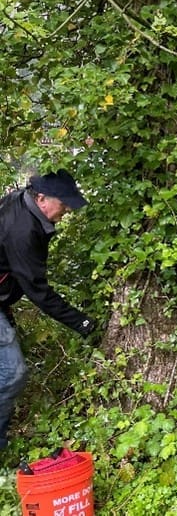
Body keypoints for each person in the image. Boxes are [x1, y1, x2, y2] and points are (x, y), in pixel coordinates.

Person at [0, 170, 99, 450]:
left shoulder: (22, 203)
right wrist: (82, 323)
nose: (67, 209)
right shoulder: (22, 229)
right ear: (41, 198)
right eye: (64, 203)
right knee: (12, 372)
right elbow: (38, 292)